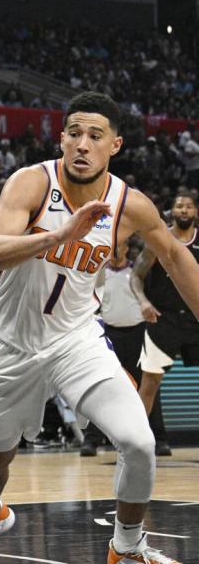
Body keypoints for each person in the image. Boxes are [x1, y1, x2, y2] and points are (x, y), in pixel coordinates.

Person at [0, 92, 195, 563]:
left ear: (114, 145)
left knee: (138, 442)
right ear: (61, 138)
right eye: (74, 132)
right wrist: (57, 236)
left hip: (76, 340)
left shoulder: (128, 204)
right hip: (9, 344)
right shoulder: (31, 183)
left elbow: (175, 256)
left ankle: (128, 546)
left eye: (95, 136)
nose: (82, 144)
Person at [130, 194, 199, 458]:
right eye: (179, 205)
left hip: (195, 318)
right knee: (150, 381)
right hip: (165, 319)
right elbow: (136, 277)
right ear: (171, 211)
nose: (184, 209)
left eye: (189, 206)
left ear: (195, 212)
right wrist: (143, 301)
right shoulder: (159, 240)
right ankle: (134, 441)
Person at [81, 242, 147, 456]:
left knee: (144, 387)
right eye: (112, 247)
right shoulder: (100, 273)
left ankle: (153, 438)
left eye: (119, 246)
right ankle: (92, 440)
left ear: (127, 248)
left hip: (137, 334)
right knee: (101, 386)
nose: (115, 250)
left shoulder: (137, 271)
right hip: (109, 333)